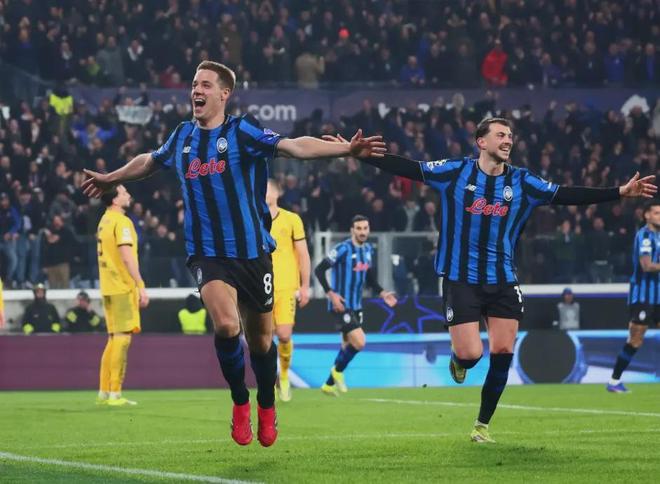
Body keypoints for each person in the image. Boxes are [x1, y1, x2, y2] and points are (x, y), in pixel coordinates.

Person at [81, 60, 385, 447]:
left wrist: (345, 150)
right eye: (194, 84)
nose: (196, 90)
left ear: (224, 94)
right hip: (208, 254)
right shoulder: (182, 136)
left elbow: (294, 146)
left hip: (253, 253)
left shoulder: (242, 132)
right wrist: (111, 177)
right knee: (226, 326)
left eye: (205, 84)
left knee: (261, 343)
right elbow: (150, 161)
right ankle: (240, 401)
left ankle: (266, 404)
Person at [323, 118, 656, 442]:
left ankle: (481, 426)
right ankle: (459, 359)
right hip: (460, 279)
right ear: (481, 142)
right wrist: (362, 155)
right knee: (471, 354)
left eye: (510, 135)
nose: (508, 140)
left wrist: (619, 192)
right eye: (500, 135)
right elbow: (411, 168)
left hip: (503, 279)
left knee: (503, 351)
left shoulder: (523, 181)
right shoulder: (456, 171)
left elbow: (566, 194)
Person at [314, 215, 397, 396]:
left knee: (347, 346)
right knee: (360, 341)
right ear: (352, 230)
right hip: (341, 305)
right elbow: (319, 269)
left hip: (356, 305)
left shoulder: (367, 249)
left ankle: (328, 384)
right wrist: (331, 294)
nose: (362, 232)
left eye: (365, 228)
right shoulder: (342, 249)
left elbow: (369, 277)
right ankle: (337, 372)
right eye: (358, 228)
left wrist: (382, 293)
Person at [95, 185, 149, 407]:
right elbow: (127, 256)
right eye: (124, 193)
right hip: (121, 286)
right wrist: (140, 284)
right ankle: (115, 393)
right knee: (123, 337)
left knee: (112, 338)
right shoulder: (122, 222)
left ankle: (104, 392)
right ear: (115, 200)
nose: (129, 195)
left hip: (107, 286)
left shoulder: (104, 220)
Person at [607, 201, 660, 393]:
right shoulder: (644, 235)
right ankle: (614, 381)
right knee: (636, 340)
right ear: (647, 215)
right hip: (642, 296)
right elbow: (646, 265)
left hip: (658, 295)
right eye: (656, 213)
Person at [266, 178, 310, 402]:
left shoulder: (292, 219)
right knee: (264, 340)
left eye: (267, 189)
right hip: (260, 286)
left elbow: (303, 254)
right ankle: (269, 381)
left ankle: (283, 375)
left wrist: (305, 285)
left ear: (277, 193)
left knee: (284, 335)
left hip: (286, 287)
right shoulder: (253, 219)